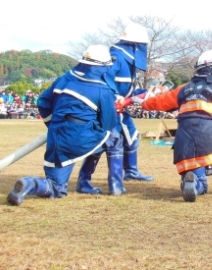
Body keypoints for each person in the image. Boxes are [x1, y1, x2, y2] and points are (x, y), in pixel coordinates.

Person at [7, 45, 124, 206]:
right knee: (114, 138)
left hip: (56, 137)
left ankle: (31, 183)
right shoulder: (102, 90)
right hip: (81, 136)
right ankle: (114, 186)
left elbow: (43, 102)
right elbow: (108, 125)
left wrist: (52, 124)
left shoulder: (63, 79)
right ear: (102, 67)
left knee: (56, 188)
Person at [139, 48, 212, 202]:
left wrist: (143, 104)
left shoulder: (182, 90)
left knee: (201, 184)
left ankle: (194, 184)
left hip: (184, 147)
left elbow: (159, 102)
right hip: (211, 141)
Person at [76, 23, 153, 195]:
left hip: (120, 108)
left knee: (131, 137)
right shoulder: (116, 57)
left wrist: (143, 93)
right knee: (102, 143)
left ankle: (130, 172)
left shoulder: (127, 61)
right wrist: (113, 100)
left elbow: (127, 89)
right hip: (109, 109)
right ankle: (84, 180)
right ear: (135, 45)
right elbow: (103, 81)